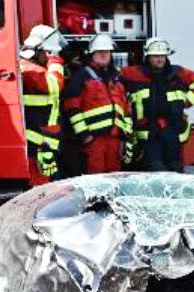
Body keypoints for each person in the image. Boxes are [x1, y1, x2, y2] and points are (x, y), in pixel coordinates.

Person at [121, 38, 194, 172]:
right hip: (149, 134)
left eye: (162, 56)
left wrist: (186, 102)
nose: (160, 59)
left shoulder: (177, 73)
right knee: (156, 170)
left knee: (176, 169)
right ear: (148, 57)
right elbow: (112, 77)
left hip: (173, 132)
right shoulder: (135, 73)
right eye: (156, 56)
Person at [64, 33, 132, 175]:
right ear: (92, 54)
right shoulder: (81, 76)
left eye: (107, 52)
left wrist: (126, 136)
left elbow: (126, 109)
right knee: (95, 182)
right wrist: (84, 135)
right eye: (100, 52)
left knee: (114, 180)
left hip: (115, 140)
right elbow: (71, 108)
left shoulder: (117, 78)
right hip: (94, 141)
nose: (104, 55)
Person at [20, 25, 67, 184]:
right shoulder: (29, 70)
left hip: (44, 141)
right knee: (40, 191)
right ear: (39, 50)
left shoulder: (36, 68)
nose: (51, 56)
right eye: (49, 52)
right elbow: (54, 86)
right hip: (37, 143)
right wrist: (55, 61)